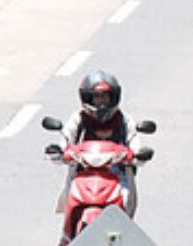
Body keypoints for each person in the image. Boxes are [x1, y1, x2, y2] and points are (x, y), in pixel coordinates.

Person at [54, 69, 145, 216]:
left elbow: (134, 139)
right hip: (82, 173)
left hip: (117, 174)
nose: (101, 102)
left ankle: (124, 230)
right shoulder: (78, 119)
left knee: (127, 199)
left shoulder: (124, 119)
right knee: (69, 196)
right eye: (97, 97)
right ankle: (66, 235)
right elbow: (66, 137)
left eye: (105, 97)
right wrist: (58, 150)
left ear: (113, 98)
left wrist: (139, 153)